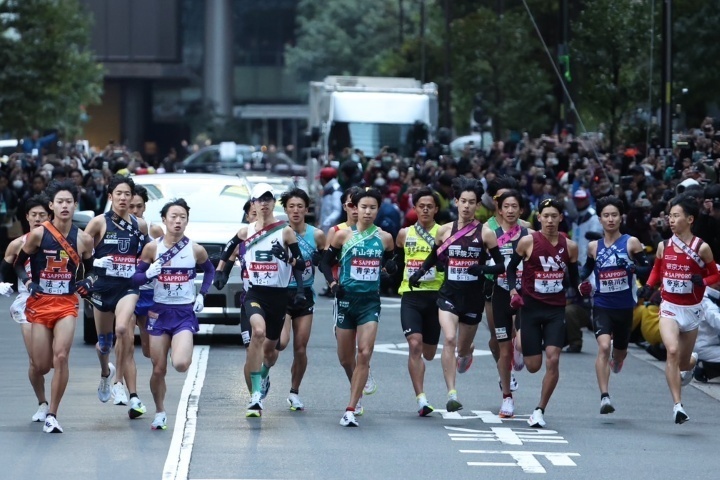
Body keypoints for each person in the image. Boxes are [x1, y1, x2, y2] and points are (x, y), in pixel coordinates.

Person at [409, 177, 505, 413]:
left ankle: (467, 352)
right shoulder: (444, 230)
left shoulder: (486, 234)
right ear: (456, 202)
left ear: (477, 206)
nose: (467, 206)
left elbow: (501, 266)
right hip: (449, 295)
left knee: (461, 348)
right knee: (449, 339)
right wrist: (419, 272)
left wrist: (481, 269)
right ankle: (452, 393)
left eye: (472, 202)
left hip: (473, 298)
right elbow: (435, 256)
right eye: (463, 201)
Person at [216, 183, 306, 417]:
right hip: (254, 293)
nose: (264, 204)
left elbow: (301, 262)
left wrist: (298, 287)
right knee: (257, 333)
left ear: (273, 203)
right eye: (259, 200)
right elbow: (227, 249)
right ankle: (255, 396)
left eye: (268, 199)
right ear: (253, 204)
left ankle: (263, 374)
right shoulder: (246, 231)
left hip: (278, 295)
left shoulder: (285, 231)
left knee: (271, 351)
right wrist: (221, 272)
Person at [13, 180, 95, 433]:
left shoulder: (84, 239)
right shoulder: (39, 234)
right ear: (52, 206)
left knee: (61, 356)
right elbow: (18, 263)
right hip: (40, 303)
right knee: (42, 365)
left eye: (69, 201)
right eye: (60, 201)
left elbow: (92, 270)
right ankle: (43, 400)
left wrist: (88, 282)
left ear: (74, 205)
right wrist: (28, 281)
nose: (64, 206)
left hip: (66, 304)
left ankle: (52, 414)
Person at [131, 199, 215, 430]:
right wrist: (149, 272)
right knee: (158, 368)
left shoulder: (195, 249)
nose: (177, 221)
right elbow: (135, 279)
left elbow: (209, 271)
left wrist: (202, 295)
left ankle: (178, 350)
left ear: (187, 220)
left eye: (182, 217)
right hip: (159, 312)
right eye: (173, 217)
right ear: (164, 220)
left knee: (180, 363)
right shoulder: (152, 248)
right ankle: (160, 411)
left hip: (184, 313)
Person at [320, 188, 397, 427]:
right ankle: (357, 383)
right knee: (345, 358)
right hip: (345, 301)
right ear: (355, 208)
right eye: (363, 207)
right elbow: (324, 262)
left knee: (364, 352)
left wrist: (388, 272)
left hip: (369, 302)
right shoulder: (342, 236)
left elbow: (394, 262)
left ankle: (351, 408)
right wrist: (333, 283)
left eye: (373, 207)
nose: (367, 211)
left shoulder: (384, 238)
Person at [506, 198, 580, 428]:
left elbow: (574, 279)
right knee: (533, 366)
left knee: (553, 359)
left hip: (555, 310)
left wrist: (581, 288)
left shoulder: (570, 247)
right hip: (530, 308)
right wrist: (512, 291)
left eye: (554, 216)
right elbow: (510, 268)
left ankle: (539, 410)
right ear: (539, 218)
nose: (549, 220)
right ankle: (517, 347)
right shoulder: (527, 242)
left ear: (560, 218)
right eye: (545, 216)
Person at [645, 194, 719, 423]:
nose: (671, 220)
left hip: (692, 309)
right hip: (669, 307)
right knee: (672, 351)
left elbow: (715, 273)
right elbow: (657, 271)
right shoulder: (663, 245)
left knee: (684, 361)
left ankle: (693, 361)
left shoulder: (702, 247)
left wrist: (703, 282)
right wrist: (647, 287)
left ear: (690, 219)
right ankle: (678, 405)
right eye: (670, 216)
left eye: (676, 216)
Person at [84, 175, 149, 418]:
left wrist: (147, 270)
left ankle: (118, 384)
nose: (123, 198)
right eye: (118, 194)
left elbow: (146, 255)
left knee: (123, 329)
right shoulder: (98, 223)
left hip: (127, 287)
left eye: (127, 194)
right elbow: (82, 255)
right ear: (110, 196)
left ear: (133, 197)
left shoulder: (140, 225)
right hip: (102, 288)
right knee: (104, 343)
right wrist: (95, 263)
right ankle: (105, 373)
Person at [578, 196, 650, 414]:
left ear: (621, 217)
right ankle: (604, 397)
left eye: (614, 215)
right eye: (606, 215)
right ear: (600, 219)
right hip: (602, 305)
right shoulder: (593, 247)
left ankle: (618, 360)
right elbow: (585, 272)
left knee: (618, 354)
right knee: (603, 346)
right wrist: (582, 285)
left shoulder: (631, 242)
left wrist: (634, 270)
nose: (610, 219)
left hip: (625, 308)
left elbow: (647, 269)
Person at [1, 194, 51, 422]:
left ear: (49, 216)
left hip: (55, 300)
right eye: (34, 215)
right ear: (27, 218)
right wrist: (2, 281)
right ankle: (42, 403)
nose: (38, 218)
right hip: (27, 302)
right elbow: (6, 264)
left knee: (53, 360)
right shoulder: (18, 243)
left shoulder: (57, 242)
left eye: (42, 214)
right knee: (35, 362)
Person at [275, 188, 326, 411]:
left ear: (306, 209)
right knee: (281, 342)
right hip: (282, 293)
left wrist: (319, 260)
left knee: (301, 348)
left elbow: (325, 262)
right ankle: (265, 375)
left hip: (305, 295)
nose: (295, 211)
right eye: (291, 206)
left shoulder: (316, 235)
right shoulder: (278, 232)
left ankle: (294, 392)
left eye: (299, 206)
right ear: (285, 209)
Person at [395, 188, 444, 416]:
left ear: (436, 209)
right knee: (414, 344)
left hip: (436, 296)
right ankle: (421, 399)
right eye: (421, 206)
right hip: (411, 296)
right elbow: (395, 258)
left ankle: (466, 348)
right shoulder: (404, 234)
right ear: (414, 208)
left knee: (429, 353)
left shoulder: (443, 233)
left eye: (430, 206)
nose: (425, 209)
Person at [488, 190, 533, 418]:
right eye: (506, 206)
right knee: (503, 349)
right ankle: (507, 398)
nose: (511, 210)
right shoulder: (491, 235)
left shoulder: (529, 235)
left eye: (515, 206)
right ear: (500, 209)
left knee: (522, 345)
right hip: (500, 294)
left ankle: (520, 346)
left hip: (525, 296)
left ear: (521, 209)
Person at [128, 185, 164, 358]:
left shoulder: (154, 230)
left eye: (139, 206)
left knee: (148, 350)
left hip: (148, 291)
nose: (135, 210)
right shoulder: (115, 229)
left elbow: (165, 259)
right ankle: (121, 380)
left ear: (145, 207)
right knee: (124, 337)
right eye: (131, 206)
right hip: (125, 290)